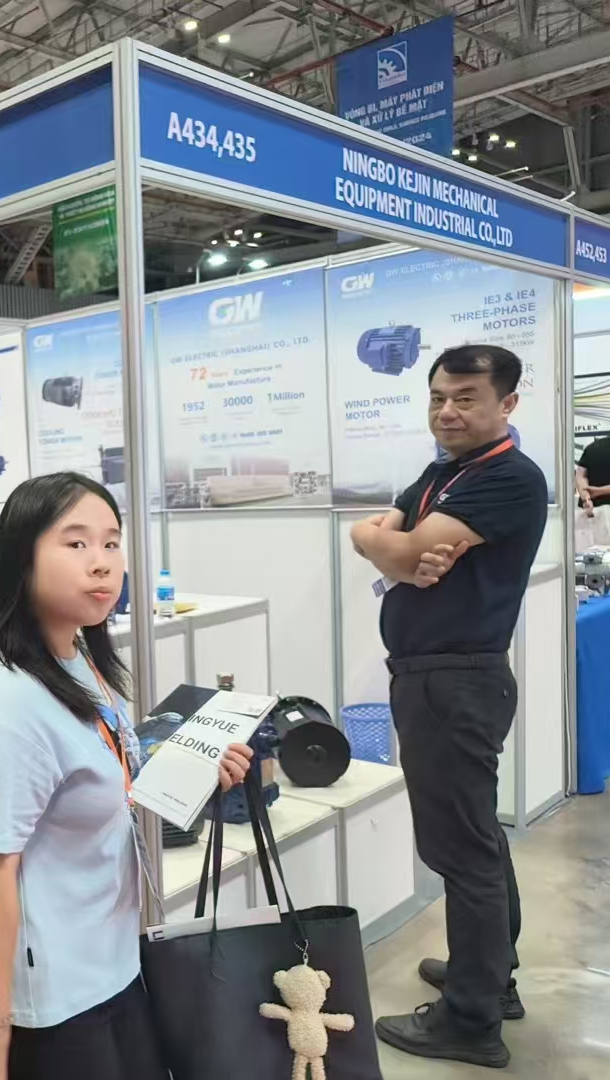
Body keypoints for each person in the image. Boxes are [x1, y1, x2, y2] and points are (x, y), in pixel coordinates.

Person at [0, 472, 252, 1080]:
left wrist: (194, 774)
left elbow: (104, 777)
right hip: (43, 998)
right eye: (75, 543)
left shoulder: (75, 656)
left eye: (111, 542)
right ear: (21, 558)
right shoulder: (0, 709)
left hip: (108, 959)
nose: (102, 562)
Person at [350, 345, 546, 1069]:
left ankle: (470, 1019)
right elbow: (379, 537)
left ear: (507, 404)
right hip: (437, 677)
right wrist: (388, 542)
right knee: (476, 839)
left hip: (453, 680)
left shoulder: (509, 477)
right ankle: (490, 979)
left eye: (466, 397)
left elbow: (399, 553)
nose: (447, 411)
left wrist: (394, 547)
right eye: (438, 397)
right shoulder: (443, 473)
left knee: (461, 853)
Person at [575, 434, 610, 545]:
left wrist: (586, 498)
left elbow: (580, 475)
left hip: (591, 513)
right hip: (593, 514)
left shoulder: (592, 447)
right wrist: (594, 493)